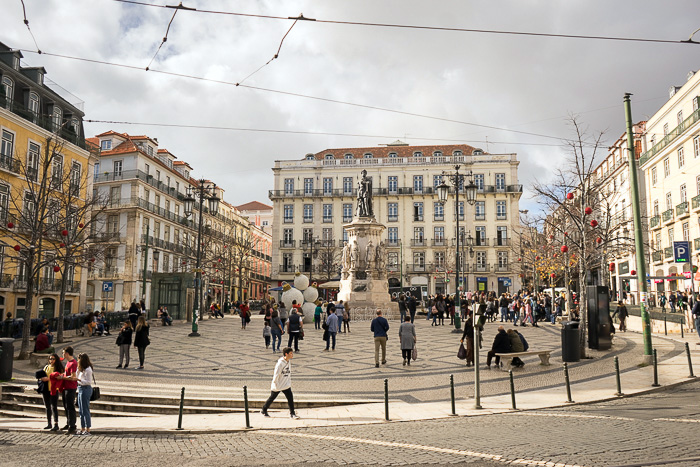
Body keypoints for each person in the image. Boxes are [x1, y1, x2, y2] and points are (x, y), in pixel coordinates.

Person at [260, 347, 299, 419]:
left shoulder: (288, 361)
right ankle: (264, 409)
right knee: (272, 398)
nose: (292, 355)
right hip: (278, 384)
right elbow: (276, 374)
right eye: (291, 353)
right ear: (286, 354)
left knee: (290, 398)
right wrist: (275, 383)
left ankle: (292, 414)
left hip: (286, 385)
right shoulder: (280, 363)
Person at [62, 353, 94, 435]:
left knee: (85, 409)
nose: (78, 361)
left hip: (86, 389)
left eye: (79, 360)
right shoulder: (81, 369)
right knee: (81, 410)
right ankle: (82, 428)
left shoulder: (88, 369)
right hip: (80, 388)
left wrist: (79, 380)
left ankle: (88, 429)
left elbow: (89, 382)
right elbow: (75, 376)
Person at [39, 353, 63, 431]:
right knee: (47, 407)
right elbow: (41, 375)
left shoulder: (58, 368)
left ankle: (56, 423)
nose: (51, 360)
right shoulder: (46, 367)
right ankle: (49, 423)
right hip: (46, 389)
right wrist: (42, 378)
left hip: (54, 389)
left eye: (53, 359)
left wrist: (49, 379)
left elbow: (60, 377)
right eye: (50, 359)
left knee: (54, 406)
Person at [59, 346, 78, 434]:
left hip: (71, 387)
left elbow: (73, 377)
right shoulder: (68, 362)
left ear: (67, 353)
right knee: (66, 406)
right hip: (65, 387)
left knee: (70, 407)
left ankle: (72, 426)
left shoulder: (73, 363)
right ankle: (68, 422)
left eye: (63, 353)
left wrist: (63, 377)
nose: (62, 354)